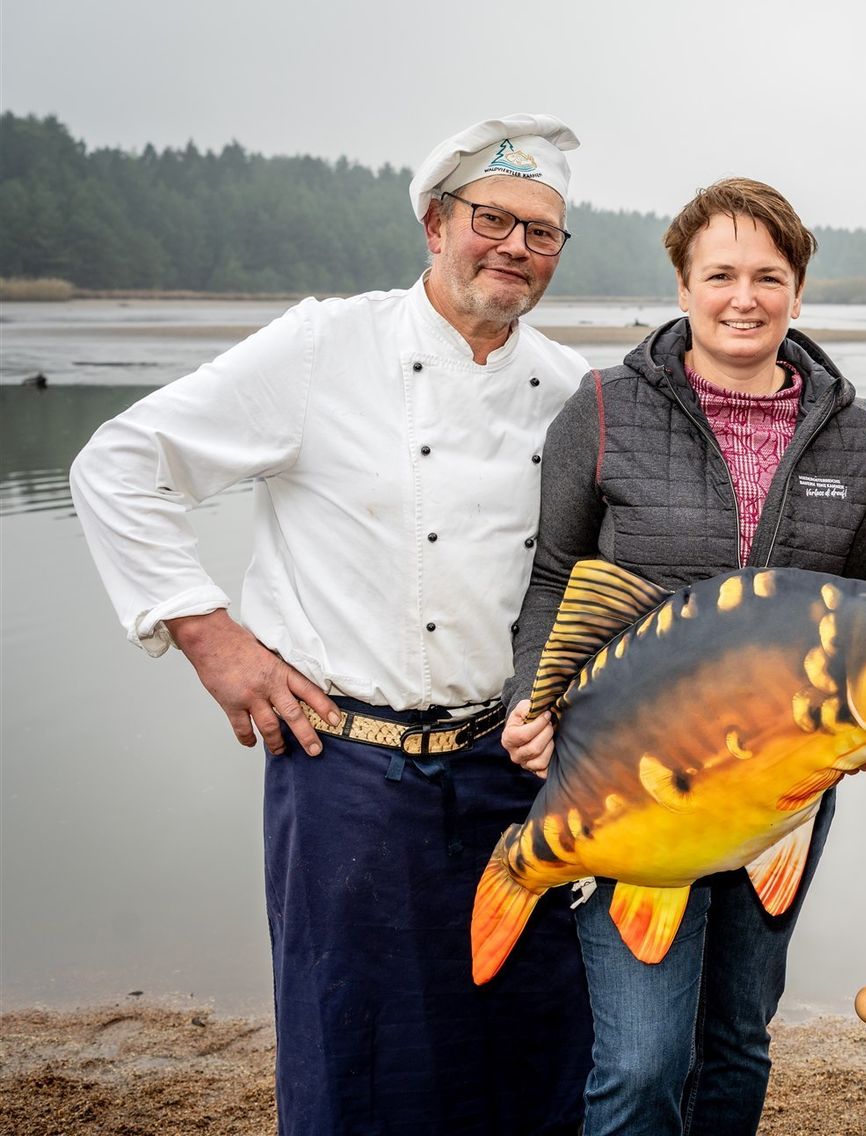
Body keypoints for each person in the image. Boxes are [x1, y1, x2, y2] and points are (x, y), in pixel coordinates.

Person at [69, 115, 596, 1135]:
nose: (516, 249)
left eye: (542, 233)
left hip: (512, 767)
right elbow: (120, 466)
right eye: (494, 219)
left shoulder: (571, 388)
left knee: (534, 1048)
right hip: (347, 766)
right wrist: (212, 639)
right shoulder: (326, 344)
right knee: (354, 1056)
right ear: (437, 224)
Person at [499, 177, 866, 1136]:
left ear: (799, 291)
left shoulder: (853, 428)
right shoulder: (602, 408)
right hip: (636, 780)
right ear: (682, 286)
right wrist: (530, 699)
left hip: (786, 788)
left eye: (768, 275)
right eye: (720, 275)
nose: (743, 298)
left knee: (738, 1043)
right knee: (640, 1061)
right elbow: (554, 575)